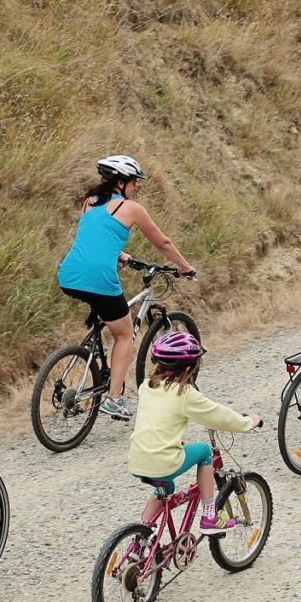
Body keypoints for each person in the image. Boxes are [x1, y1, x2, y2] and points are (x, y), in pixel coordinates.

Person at [53, 154, 197, 422]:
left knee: (105, 312)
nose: (136, 187)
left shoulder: (90, 202)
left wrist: (120, 255)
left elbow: (95, 236)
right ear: (120, 183)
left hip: (68, 275)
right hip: (99, 279)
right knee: (123, 335)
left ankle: (93, 359)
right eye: (134, 182)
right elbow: (163, 243)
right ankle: (114, 399)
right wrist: (184, 267)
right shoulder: (131, 208)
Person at [128, 330, 259, 532]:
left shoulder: (147, 386)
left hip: (137, 459)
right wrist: (248, 422)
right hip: (163, 461)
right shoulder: (185, 394)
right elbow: (219, 415)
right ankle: (209, 517)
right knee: (205, 452)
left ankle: (142, 535)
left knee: (166, 488)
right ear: (190, 367)